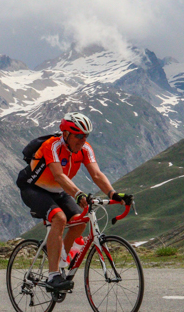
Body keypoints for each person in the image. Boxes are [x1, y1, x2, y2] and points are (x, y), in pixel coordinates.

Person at [16, 112, 129, 291]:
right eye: (78, 135)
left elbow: (97, 174)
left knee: (80, 221)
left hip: (59, 191)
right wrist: (78, 194)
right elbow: (59, 176)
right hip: (33, 188)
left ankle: (60, 263)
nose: (82, 140)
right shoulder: (51, 145)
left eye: (86, 135)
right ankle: (53, 276)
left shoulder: (85, 149)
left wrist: (113, 194)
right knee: (59, 218)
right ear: (66, 134)